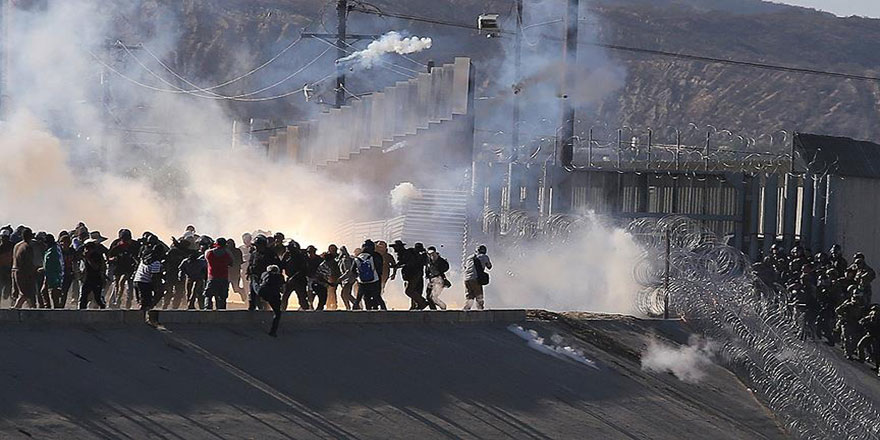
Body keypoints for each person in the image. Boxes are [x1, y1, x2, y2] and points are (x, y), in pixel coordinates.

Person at [391, 240, 429, 310]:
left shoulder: (407, 253)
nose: (394, 249)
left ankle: (422, 302)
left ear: (399, 247)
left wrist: (397, 265)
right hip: (412, 275)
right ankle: (414, 306)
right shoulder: (405, 253)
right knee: (414, 291)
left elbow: (409, 263)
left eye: (395, 247)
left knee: (409, 291)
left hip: (414, 274)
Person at [247, 235, 280, 310]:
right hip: (255, 277)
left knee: (264, 294)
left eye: (258, 245)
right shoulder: (254, 253)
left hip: (266, 278)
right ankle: (252, 310)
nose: (257, 247)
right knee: (253, 294)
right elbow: (251, 263)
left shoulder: (271, 254)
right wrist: (248, 272)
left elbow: (276, 265)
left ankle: (265, 310)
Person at [107, 229, 138, 309]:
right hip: (118, 267)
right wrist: (113, 259)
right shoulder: (116, 245)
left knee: (123, 282)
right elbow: (109, 256)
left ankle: (127, 301)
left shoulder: (134, 245)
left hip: (129, 268)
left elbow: (138, 255)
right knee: (117, 284)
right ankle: (116, 301)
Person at [133, 246, 164, 317]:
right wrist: (157, 288)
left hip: (137, 281)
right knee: (147, 302)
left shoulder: (144, 258)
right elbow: (154, 277)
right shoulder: (156, 262)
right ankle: (143, 316)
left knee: (143, 301)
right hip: (144, 283)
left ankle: (144, 314)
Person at [12, 228, 38, 309]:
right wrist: (33, 271)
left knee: (25, 294)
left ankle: (31, 308)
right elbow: (28, 263)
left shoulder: (17, 245)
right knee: (26, 293)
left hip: (16, 271)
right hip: (24, 272)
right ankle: (16, 308)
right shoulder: (27, 247)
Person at [204, 237, 233, 310]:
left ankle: (206, 314)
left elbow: (206, 255)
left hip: (212, 278)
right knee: (222, 299)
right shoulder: (227, 254)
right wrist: (226, 249)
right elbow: (231, 262)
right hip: (223, 278)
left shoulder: (209, 253)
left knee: (208, 296)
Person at [78, 239, 108, 309]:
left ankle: (103, 310)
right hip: (87, 279)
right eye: (86, 248)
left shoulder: (96, 256)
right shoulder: (85, 256)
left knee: (97, 298)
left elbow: (96, 267)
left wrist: (88, 258)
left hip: (96, 279)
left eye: (88, 248)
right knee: (83, 298)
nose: (87, 250)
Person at [354, 240, 383, 310]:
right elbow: (379, 269)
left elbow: (353, 270)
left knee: (363, 297)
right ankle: (383, 313)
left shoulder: (358, 257)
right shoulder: (376, 255)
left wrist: (360, 276)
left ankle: (367, 312)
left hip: (362, 281)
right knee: (377, 297)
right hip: (375, 280)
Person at [281, 241, 309, 310]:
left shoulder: (301, 256)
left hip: (300, 281)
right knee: (284, 297)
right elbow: (282, 265)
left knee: (302, 298)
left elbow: (303, 269)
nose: (287, 249)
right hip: (289, 280)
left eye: (289, 247)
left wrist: (294, 277)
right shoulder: (287, 255)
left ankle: (306, 312)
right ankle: (281, 312)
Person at [162, 238, 189, 309]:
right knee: (174, 291)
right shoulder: (182, 253)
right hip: (174, 274)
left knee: (172, 291)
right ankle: (171, 306)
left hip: (174, 274)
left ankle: (169, 305)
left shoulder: (174, 252)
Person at [836, 292, 865, 360]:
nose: (856, 300)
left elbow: (861, 317)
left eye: (858, 299)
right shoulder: (848, 305)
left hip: (854, 325)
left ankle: (850, 351)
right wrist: (842, 317)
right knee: (847, 339)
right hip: (847, 323)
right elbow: (838, 310)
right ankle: (848, 353)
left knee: (854, 340)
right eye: (855, 298)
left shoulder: (859, 308)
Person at [179, 243, 208, 310]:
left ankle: (192, 304)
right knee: (189, 292)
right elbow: (181, 269)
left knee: (195, 291)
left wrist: (205, 277)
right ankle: (190, 305)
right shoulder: (186, 261)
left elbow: (205, 269)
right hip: (190, 277)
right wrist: (181, 275)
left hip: (198, 278)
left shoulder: (201, 262)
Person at [463, 245, 492, 310]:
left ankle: (465, 312)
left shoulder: (469, 258)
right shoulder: (484, 256)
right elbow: (489, 266)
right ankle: (480, 312)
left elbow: (465, 267)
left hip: (467, 279)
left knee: (469, 297)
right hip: (475, 279)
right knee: (479, 297)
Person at [259, 265, 285, 337]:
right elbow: (283, 289)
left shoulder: (264, 274)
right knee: (277, 314)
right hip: (274, 295)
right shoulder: (280, 276)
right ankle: (273, 331)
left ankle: (257, 307)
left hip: (264, 293)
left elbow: (261, 283)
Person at [42, 234, 65, 309]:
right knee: (44, 291)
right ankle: (48, 307)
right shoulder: (55, 249)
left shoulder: (52, 251)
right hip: (51, 274)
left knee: (53, 292)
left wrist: (43, 269)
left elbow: (50, 265)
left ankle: (55, 309)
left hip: (53, 275)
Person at [424, 246, 450, 310]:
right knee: (428, 296)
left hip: (438, 279)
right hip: (432, 280)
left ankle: (442, 306)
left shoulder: (439, 260)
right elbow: (428, 268)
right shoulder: (428, 260)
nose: (431, 254)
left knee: (433, 297)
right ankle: (433, 309)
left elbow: (445, 267)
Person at [321, 245, 342, 310]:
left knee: (332, 291)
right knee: (330, 291)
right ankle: (330, 304)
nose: (333, 251)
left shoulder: (338, 256)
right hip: (330, 276)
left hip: (336, 276)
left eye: (334, 249)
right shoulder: (327, 256)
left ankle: (332, 304)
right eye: (331, 249)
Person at [227, 238, 245, 303]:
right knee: (226, 288)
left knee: (236, 288)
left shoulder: (237, 251)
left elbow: (240, 261)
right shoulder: (226, 251)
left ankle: (243, 293)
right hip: (227, 273)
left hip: (235, 273)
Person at [0, 229, 13, 306]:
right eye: (2, 237)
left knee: (10, 288)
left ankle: (12, 304)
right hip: (1, 270)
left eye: (5, 237)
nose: (3, 239)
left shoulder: (12, 246)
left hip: (10, 269)